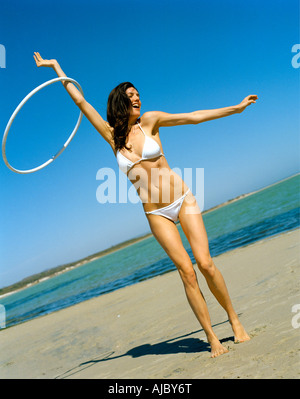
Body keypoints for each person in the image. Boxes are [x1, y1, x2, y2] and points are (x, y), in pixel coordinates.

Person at [34, 52, 258, 357]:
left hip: (182, 200)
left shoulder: (150, 122)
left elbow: (192, 116)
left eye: (138, 95)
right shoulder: (111, 136)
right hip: (156, 213)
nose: (137, 99)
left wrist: (236, 108)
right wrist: (57, 69)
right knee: (187, 272)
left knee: (204, 264)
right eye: (131, 96)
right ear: (119, 104)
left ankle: (234, 321)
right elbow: (81, 103)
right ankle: (212, 338)